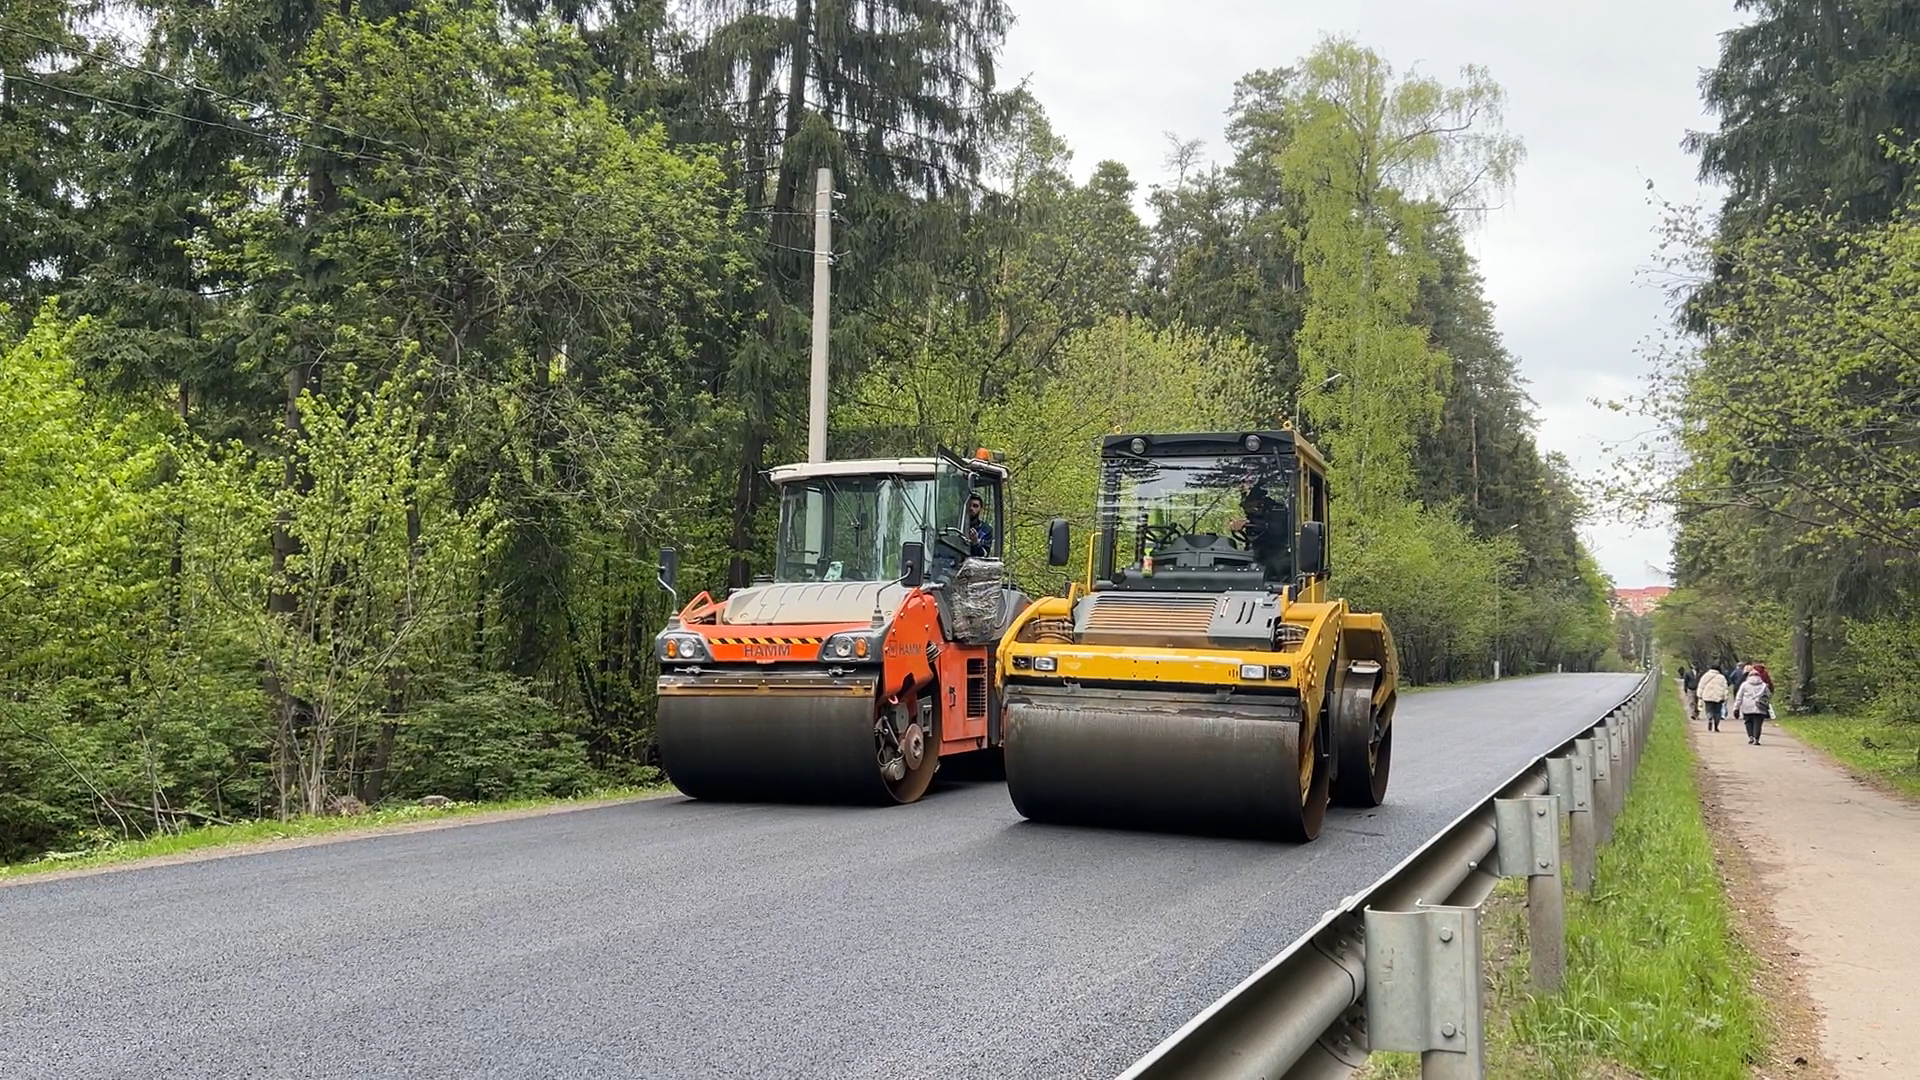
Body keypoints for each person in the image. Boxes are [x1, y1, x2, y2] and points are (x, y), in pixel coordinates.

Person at [1732, 664, 1773, 745]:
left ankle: (1751, 736)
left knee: (1748, 722)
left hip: (1747, 706)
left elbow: (1739, 696)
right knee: (1758, 723)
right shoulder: (1764, 685)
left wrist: (1736, 707)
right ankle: (1756, 738)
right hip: (1760, 706)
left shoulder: (1744, 685)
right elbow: (1769, 695)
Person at [1697, 664, 1729, 732]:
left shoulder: (1705, 676)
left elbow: (1701, 686)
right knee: (1717, 712)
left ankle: (1710, 718)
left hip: (1707, 696)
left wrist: (1699, 695)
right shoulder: (1722, 677)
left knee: (1709, 710)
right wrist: (1725, 697)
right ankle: (1716, 726)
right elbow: (1725, 688)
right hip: (1718, 697)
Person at [963, 492, 993, 558]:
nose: (971, 508)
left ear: (980, 509)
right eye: (969, 505)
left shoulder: (985, 530)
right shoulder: (956, 523)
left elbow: (984, 555)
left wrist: (975, 543)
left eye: (975, 506)